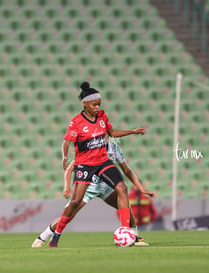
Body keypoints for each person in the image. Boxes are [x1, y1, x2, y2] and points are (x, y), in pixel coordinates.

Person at [48, 82, 146, 247]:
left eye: (99, 105)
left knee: (122, 188)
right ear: (85, 104)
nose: (97, 108)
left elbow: (112, 133)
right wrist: (64, 156)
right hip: (85, 165)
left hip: (102, 162)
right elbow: (66, 142)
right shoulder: (76, 122)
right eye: (94, 105)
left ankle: (125, 231)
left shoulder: (102, 117)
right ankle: (56, 234)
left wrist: (132, 131)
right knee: (75, 202)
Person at [31, 139, 154, 248]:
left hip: (106, 188)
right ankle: (42, 237)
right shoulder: (89, 149)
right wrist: (66, 187)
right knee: (68, 216)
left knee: (125, 206)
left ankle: (134, 236)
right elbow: (69, 169)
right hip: (88, 188)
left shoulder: (114, 148)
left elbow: (126, 170)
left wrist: (139, 187)